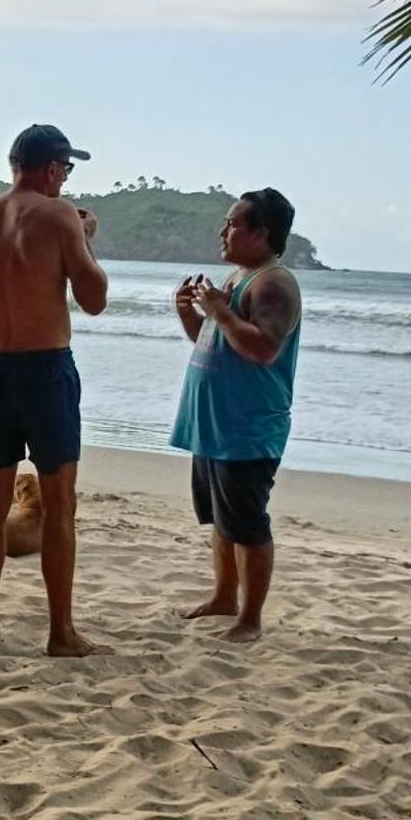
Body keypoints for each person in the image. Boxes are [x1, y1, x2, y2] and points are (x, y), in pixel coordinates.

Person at [0, 125, 108, 655]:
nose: (65, 180)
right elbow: (94, 299)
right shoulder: (60, 214)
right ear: (50, 168)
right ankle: (60, 631)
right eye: (66, 170)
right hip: (45, 369)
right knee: (60, 505)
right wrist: (85, 240)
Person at [170, 188, 302, 643]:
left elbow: (263, 348)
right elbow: (213, 338)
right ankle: (224, 596)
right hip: (214, 424)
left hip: (247, 426)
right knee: (222, 521)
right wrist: (189, 311)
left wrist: (220, 312)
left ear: (262, 233)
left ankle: (250, 618)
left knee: (247, 524)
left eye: (232, 224)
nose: (222, 232)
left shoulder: (273, 283)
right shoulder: (237, 278)